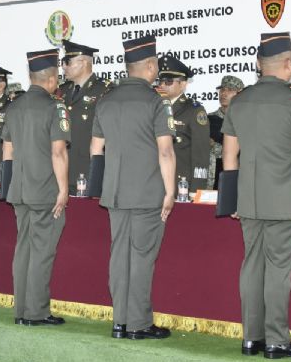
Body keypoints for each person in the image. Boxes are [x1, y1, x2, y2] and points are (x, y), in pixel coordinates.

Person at [221, 32, 291, 359]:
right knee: (278, 270)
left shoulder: (241, 100)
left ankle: (251, 339)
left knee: (252, 266)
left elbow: (228, 157)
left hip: (248, 200)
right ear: (288, 64)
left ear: (257, 65)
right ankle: (277, 341)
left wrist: (231, 199)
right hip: (285, 200)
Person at [89, 35, 176, 340]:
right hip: (147, 192)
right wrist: (170, 192)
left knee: (119, 256)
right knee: (141, 257)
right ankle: (138, 323)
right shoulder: (157, 101)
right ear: (150, 66)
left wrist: (102, 186)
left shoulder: (106, 100)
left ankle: (120, 321)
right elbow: (165, 151)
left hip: (115, 192)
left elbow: (95, 149)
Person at [0, 49, 70, 326]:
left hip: (19, 188)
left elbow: (8, 150)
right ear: (52, 79)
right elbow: (58, 153)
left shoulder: (14, 106)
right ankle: (36, 312)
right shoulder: (55, 107)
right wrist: (63, 189)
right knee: (41, 252)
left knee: (24, 249)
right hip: (45, 191)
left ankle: (21, 311)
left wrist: (9, 185)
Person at [58, 39, 111, 194]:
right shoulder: (61, 91)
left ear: (83, 62)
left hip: (89, 174)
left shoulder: (105, 91)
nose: (63, 66)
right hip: (62, 173)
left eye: (67, 61)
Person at [156, 54, 210, 192]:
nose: (162, 85)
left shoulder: (194, 111)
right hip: (153, 184)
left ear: (183, 84)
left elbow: (201, 156)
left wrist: (196, 191)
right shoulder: (154, 108)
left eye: (168, 81)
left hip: (180, 185)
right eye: (160, 81)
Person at [208, 75, 244, 188]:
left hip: (237, 178)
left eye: (230, 90)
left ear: (240, 94)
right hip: (211, 181)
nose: (224, 93)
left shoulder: (245, 122)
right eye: (222, 89)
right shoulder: (208, 120)